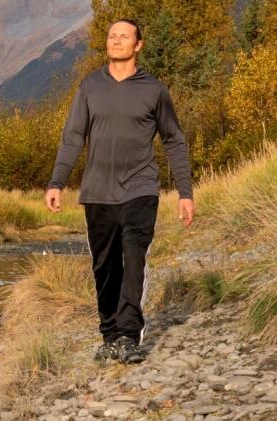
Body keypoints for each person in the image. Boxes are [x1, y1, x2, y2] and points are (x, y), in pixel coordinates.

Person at [44, 18, 196, 364]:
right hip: (97, 192)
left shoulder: (154, 90)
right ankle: (109, 334)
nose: (116, 40)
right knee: (104, 267)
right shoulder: (89, 87)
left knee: (133, 261)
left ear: (138, 45)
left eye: (124, 36)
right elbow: (72, 138)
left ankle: (128, 335)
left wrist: (185, 192)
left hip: (141, 189)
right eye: (112, 36)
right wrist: (56, 182)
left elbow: (174, 140)